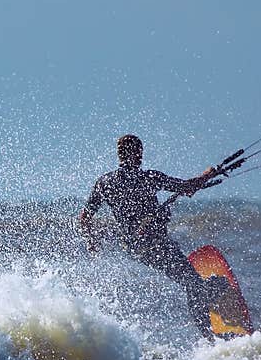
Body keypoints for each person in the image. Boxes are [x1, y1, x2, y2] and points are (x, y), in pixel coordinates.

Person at [77, 134, 226, 339]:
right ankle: (210, 335)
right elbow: (189, 187)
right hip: (157, 245)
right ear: (138, 154)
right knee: (193, 285)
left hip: (134, 248)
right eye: (141, 153)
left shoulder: (104, 182)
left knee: (191, 282)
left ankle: (210, 293)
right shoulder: (149, 178)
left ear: (119, 154)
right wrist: (208, 174)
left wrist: (91, 242)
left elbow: (84, 218)